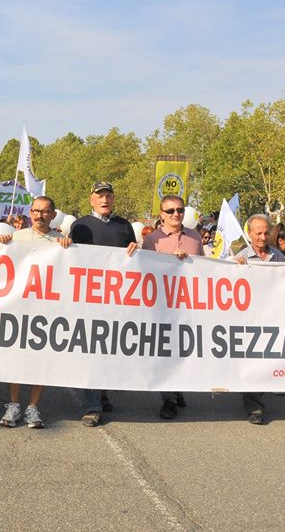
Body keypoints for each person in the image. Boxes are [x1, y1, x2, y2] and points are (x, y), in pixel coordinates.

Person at [0, 196, 71, 428]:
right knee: (15, 358)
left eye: (45, 212)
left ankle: (33, 408)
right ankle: (14, 404)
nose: (39, 216)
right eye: (36, 211)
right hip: (19, 307)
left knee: (41, 360)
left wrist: (70, 249)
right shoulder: (17, 237)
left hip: (48, 309)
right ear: (30, 212)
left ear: (53, 214)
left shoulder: (62, 240)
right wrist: (2, 243)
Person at [69, 182, 138, 427]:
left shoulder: (124, 226)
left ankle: (102, 393)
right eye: (100, 196)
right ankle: (92, 406)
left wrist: (135, 249)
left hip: (117, 299)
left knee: (110, 350)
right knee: (92, 350)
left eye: (108, 196)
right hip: (88, 298)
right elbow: (70, 259)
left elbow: (133, 259)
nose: (105, 200)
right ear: (92, 200)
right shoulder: (80, 225)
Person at [233, 213, 285, 425]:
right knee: (253, 359)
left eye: (266, 233)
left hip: (272, 316)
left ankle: (255, 392)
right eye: (258, 233)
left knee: (266, 358)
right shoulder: (241, 257)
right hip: (249, 318)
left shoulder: (278, 256)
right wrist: (234, 269)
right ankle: (254, 406)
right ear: (249, 233)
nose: (263, 237)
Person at [142, 195, 202, 419]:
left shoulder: (195, 238)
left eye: (180, 210)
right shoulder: (153, 240)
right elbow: (145, 270)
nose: (176, 214)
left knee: (183, 348)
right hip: (162, 303)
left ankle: (177, 388)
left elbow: (205, 269)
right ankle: (168, 399)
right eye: (170, 211)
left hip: (188, 303)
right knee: (165, 350)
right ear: (161, 214)